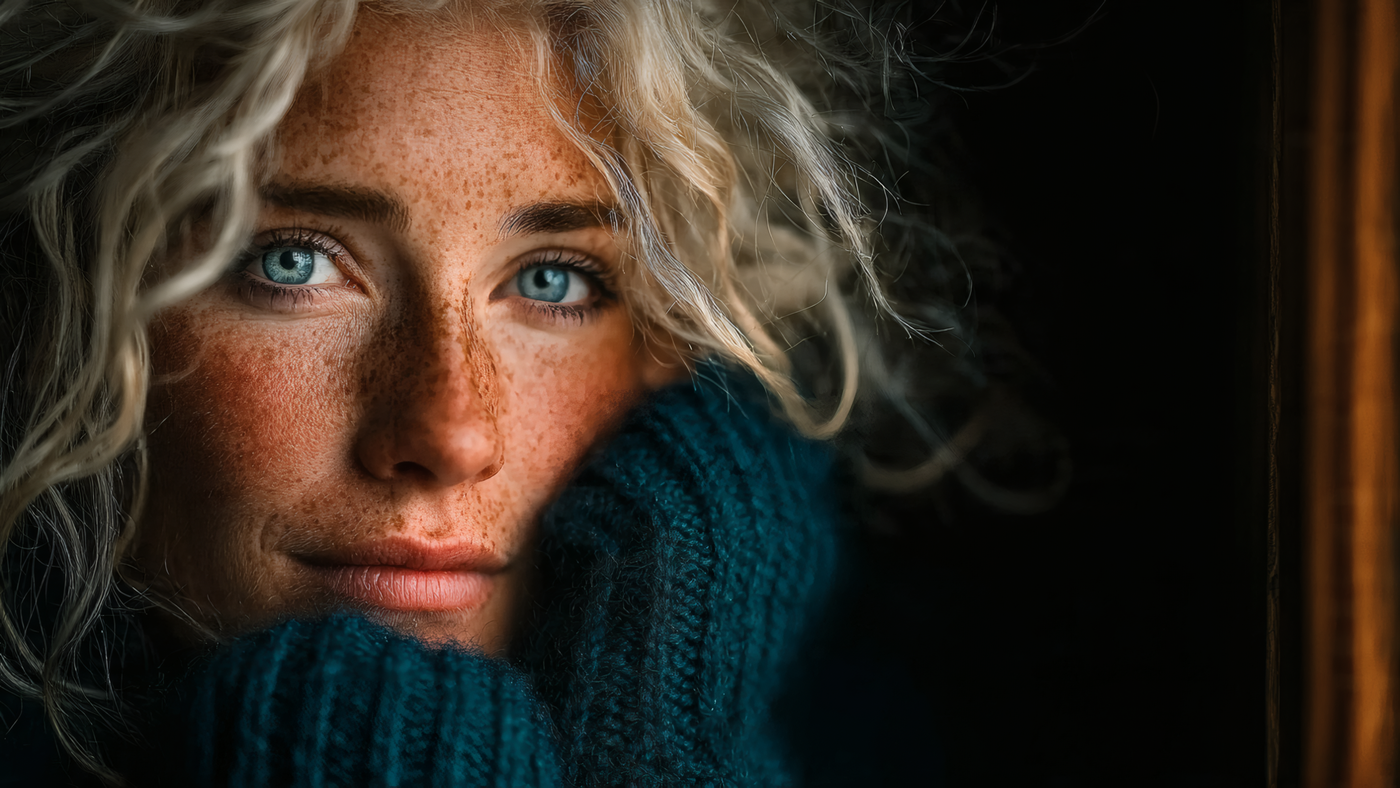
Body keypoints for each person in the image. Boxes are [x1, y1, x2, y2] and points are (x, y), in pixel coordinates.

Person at [0, 0, 1002, 784]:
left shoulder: (894, 736)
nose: (446, 428)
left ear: (672, 339)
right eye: (295, 262)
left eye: (551, 280)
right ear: (80, 306)